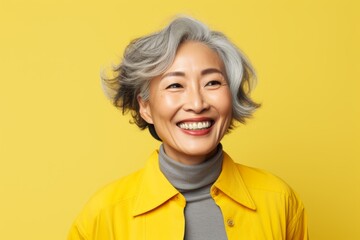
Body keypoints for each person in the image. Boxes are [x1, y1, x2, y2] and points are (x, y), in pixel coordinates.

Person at [68, 16, 308, 239]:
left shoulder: (280, 201)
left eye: (212, 82)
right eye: (175, 85)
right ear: (145, 107)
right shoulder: (102, 215)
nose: (197, 104)